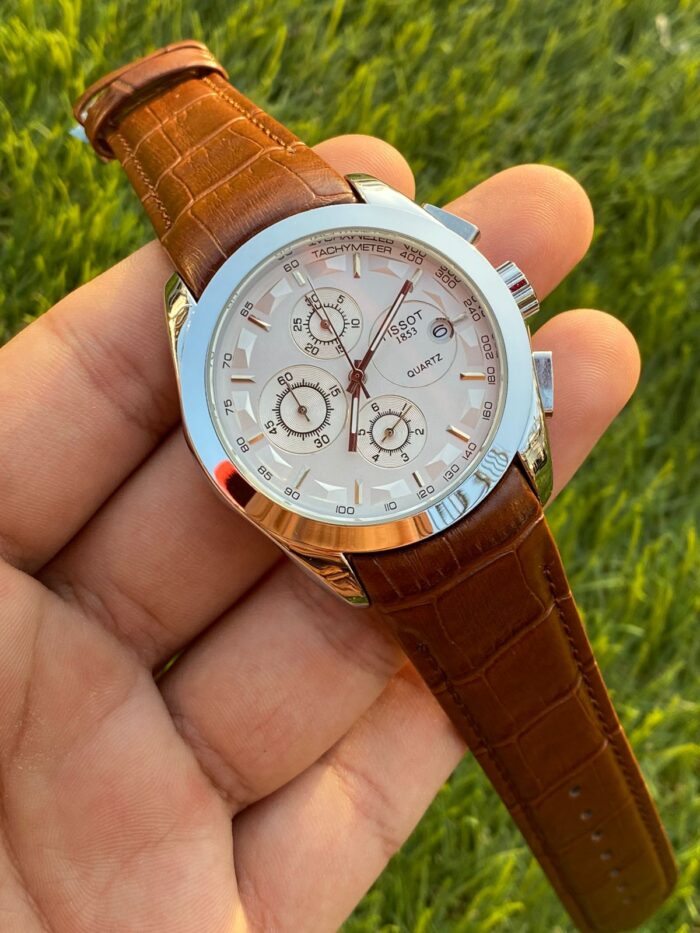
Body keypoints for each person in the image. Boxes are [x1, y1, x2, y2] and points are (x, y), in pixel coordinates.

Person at [0, 134, 640, 931]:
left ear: (498, 290)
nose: (354, 377)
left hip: (480, 472)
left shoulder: (376, 221)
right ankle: (624, 888)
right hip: (382, 519)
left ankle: (625, 886)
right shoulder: (208, 337)